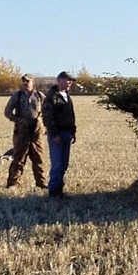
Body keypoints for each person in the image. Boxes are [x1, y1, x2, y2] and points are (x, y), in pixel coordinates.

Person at [3, 74, 47, 189]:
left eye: (28, 81)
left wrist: (44, 125)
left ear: (33, 82)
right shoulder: (16, 96)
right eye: (24, 81)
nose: (25, 83)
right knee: (18, 159)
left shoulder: (40, 96)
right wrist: (18, 120)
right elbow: (7, 112)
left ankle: (41, 183)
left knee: (39, 159)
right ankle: (13, 183)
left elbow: (48, 112)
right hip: (22, 132)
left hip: (37, 133)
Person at [42, 70, 77, 198]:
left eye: (71, 81)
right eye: (68, 80)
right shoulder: (51, 96)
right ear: (60, 80)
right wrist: (54, 134)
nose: (70, 83)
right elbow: (47, 117)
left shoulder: (67, 95)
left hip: (67, 133)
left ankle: (59, 190)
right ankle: (53, 191)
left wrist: (73, 131)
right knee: (57, 164)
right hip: (56, 135)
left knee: (64, 164)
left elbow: (71, 116)